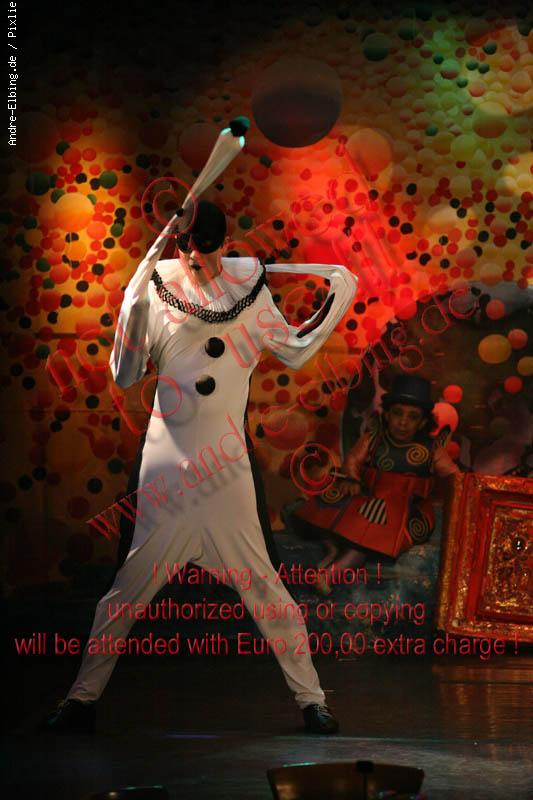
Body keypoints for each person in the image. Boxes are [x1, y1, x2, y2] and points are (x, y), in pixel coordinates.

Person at [42, 117, 358, 735]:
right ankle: (80, 701)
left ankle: (312, 701)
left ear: (224, 242)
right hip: (168, 472)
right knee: (126, 592)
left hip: (225, 471)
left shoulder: (250, 290)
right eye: (188, 249)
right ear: (178, 246)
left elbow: (295, 352)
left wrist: (336, 296)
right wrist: (131, 310)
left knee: (266, 590)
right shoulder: (155, 292)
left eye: (208, 248)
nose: (197, 259)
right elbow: (125, 375)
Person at [291, 374, 460, 594]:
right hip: (368, 495)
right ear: (387, 414)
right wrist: (352, 478)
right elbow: (353, 460)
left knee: (370, 534)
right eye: (397, 413)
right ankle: (332, 549)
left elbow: (454, 476)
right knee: (326, 513)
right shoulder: (373, 438)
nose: (403, 422)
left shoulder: (432, 449)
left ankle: (329, 575)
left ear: (423, 422)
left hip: (404, 509)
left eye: (412, 417)